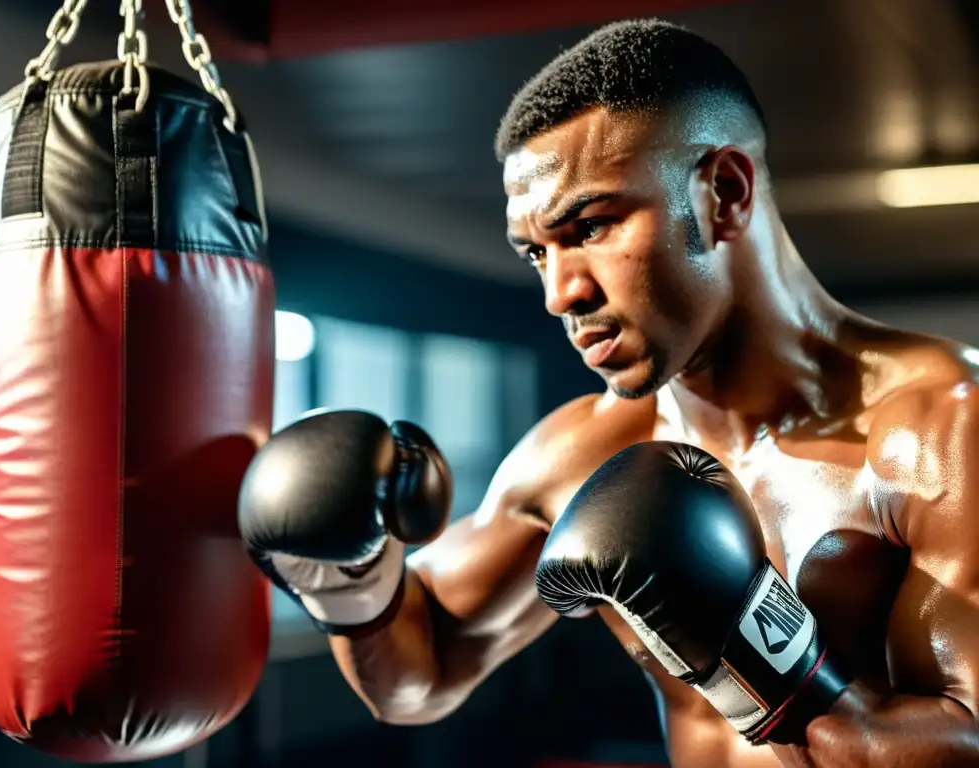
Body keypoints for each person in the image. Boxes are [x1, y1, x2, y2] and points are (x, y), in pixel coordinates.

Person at [239, 18, 979, 767]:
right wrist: (351, 581)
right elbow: (418, 676)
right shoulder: (583, 454)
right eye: (536, 253)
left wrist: (768, 666)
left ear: (724, 193)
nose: (560, 293)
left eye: (590, 225)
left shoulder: (942, 428)